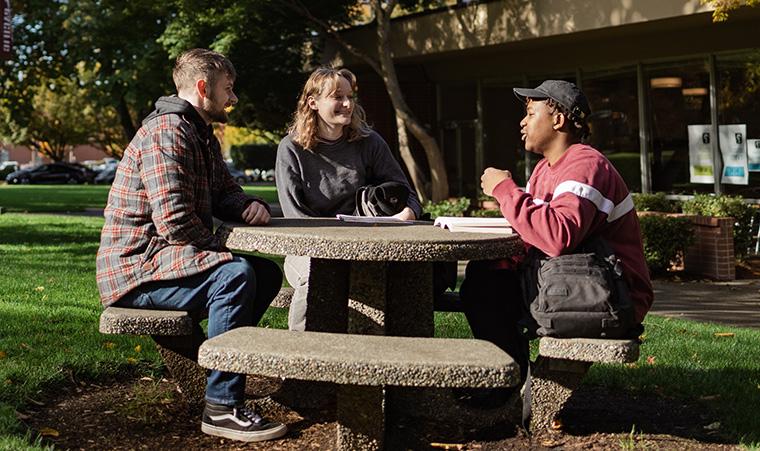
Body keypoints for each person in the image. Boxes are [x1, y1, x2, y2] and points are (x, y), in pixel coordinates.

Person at [96, 48, 287, 443]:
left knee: (266, 273)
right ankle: (221, 407)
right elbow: (175, 221)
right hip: (137, 270)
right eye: (228, 89)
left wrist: (249, 204)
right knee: (234, 276)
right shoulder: (168, 132)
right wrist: (221, 251)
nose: (233, 99)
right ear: (203, 88)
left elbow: (225, 190)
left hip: (164, 262)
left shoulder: (199, 132)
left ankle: (220, 371)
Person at [461, 80, 653, 385]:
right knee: (485, 277)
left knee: (487, 288)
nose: (522, 122)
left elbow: (557, 236)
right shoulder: (545, 169)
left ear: (558, 119)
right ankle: (510, 383)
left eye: (531, 113)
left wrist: (504, 190)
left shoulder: (585, 165)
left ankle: (506, 388)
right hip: (575, 283)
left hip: (613, 297)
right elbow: (537, 233)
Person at [275, 67, 422, 331]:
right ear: (313, 102)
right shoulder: (291, 149)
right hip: (308, 249)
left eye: (350, 97)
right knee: (315, 278)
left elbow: (407, 194)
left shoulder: (369, 142)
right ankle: (300, 362)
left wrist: (408, 212)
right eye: (337, 97)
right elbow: (295, 219)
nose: (347, 104)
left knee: (406, 278)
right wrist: (333, 249)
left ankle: (389, 361)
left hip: (365, 245)